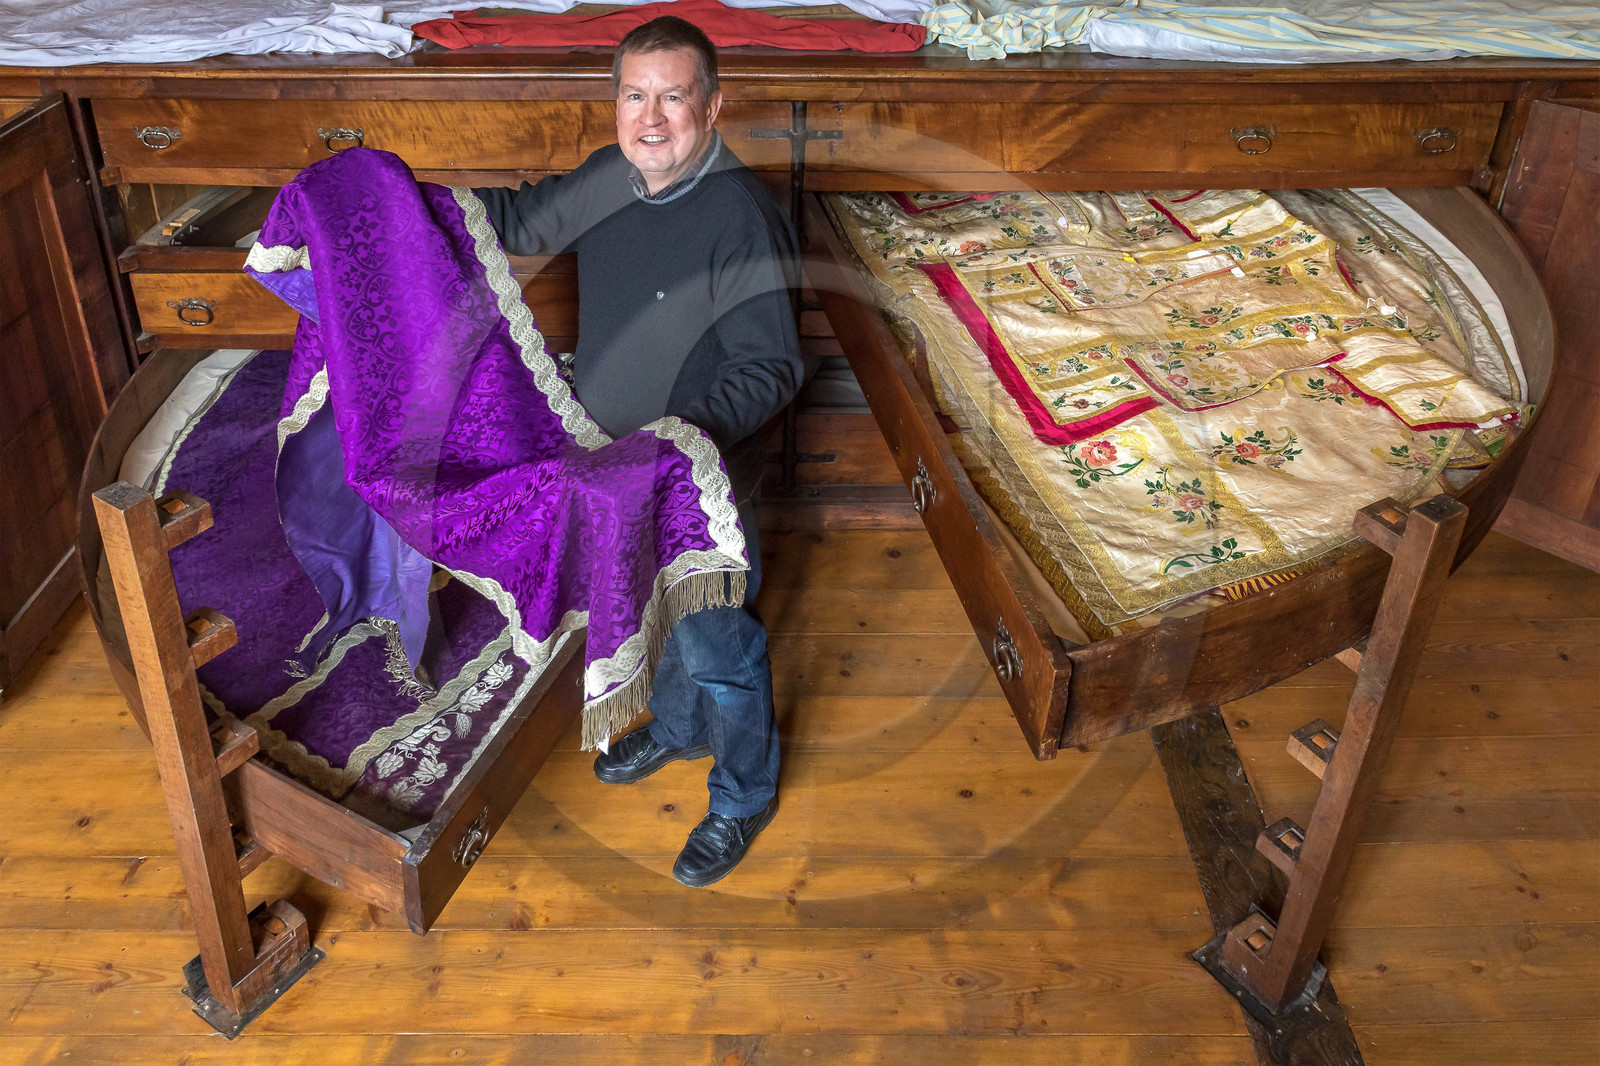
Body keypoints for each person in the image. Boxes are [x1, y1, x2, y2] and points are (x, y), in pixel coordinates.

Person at [474, 16, 803, 888]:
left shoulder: (741, 216)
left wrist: (673, 444)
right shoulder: (613, 177)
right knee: (651, 615)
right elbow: (519, 220)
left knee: (717, 649)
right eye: (633, 95)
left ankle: (741, 795)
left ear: (713, 105)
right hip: (608, 460)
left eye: (673, 97)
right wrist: (400, 197)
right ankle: (678, 728)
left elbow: (770, 366)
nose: (650, 118)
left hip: (693, 477)